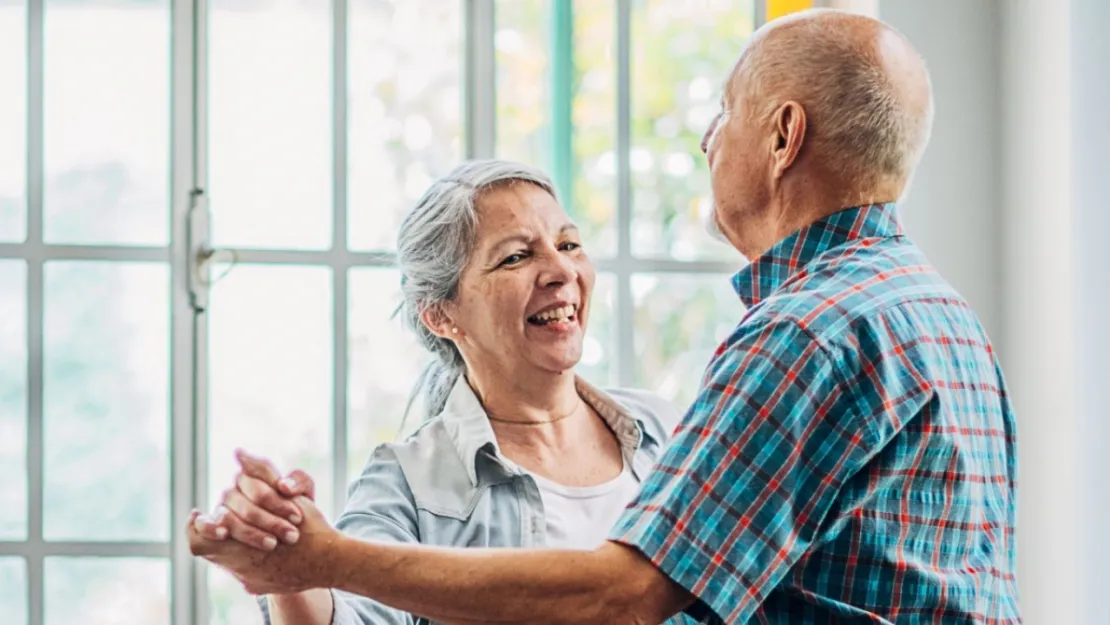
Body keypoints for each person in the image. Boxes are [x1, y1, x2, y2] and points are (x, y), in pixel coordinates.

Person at [189, 8, 1021, 624]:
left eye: (725, 112)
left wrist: (327, 554)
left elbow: (624, 593)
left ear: (783, 137)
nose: (705, 141)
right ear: (441, 314)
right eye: (517, 257)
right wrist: (300, 568)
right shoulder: (942, 317)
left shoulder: (794, 338)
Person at [193, 159, 691, 624]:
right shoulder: (409, 480)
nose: (562, 272)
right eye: (516, 256)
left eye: (568, 244)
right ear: (442, 314)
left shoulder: (666, 431)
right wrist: (290, 560)